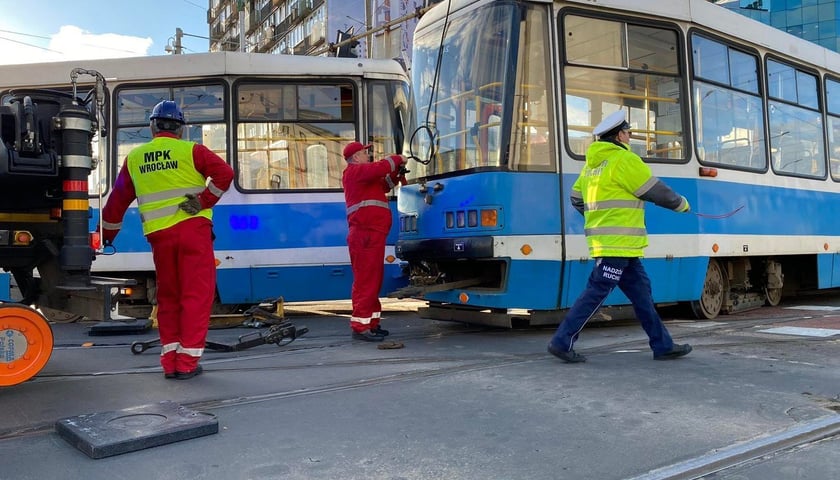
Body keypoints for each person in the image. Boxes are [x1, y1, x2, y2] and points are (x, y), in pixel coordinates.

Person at [100, 100, 233, 379]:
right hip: (193, 231)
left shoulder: (135, 158)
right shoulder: (192, 151)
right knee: (196, 295)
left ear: (153, 127)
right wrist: (203, 201)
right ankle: (186, 363)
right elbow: (225, 174)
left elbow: (116, 203)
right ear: (180, 129)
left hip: (159, 238)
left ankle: (170, 361)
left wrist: (107, 237)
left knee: (169, 296)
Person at [547, 110, 693, 363]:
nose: (629, 137)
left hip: (617, 245)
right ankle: (561, 341)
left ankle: (663, 345)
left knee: (642, 294)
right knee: (597, 291)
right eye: (628, 132)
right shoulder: (624, 160)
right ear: (618, 136)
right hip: (618, 243)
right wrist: (682, 205)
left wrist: (598, 218)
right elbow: (654, 190)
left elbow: (576, 198)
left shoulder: (591, 166)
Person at [342, 141, 406, 341]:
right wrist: (397, 159)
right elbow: (379, 168)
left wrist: (396, 174)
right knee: (366, 282)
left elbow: (384, 185)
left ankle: (372, 323)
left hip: (372, 234)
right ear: (355, 157)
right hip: (365, 234)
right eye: (364, 153)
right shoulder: (354, 172)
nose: (368, 155)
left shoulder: (364, 177)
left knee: (373, 280)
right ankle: (360, 327)